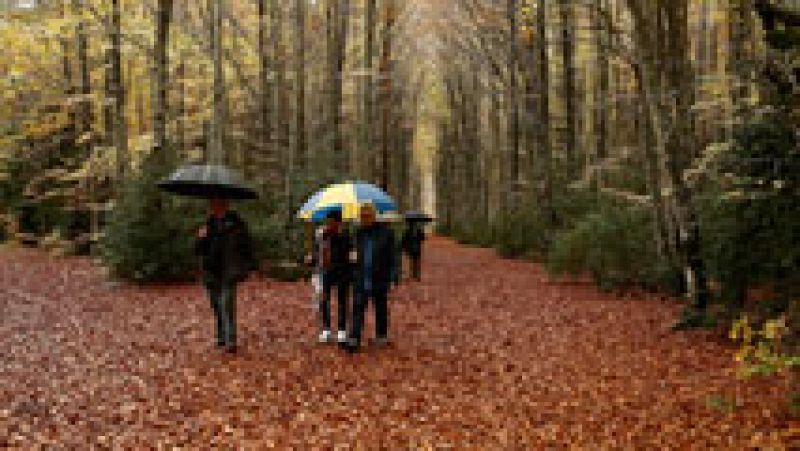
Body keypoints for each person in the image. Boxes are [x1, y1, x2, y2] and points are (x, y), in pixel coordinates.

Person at [195, 197, 255, 353]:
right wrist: (200, 239)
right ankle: (221, 337)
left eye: (218, 204)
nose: (214, 207)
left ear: (226, 205)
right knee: (216, 306)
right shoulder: (207, 225)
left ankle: (231, 341)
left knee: (226, 304)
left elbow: (247, 246)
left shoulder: (237, 224)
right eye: (212, 204)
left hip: (230, 269)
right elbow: (198, 251)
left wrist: (248, 266)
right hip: (211, 271)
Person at [341, 203, 397, 353]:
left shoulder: (386, 233)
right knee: (358, 307)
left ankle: (381, 335)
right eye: (362, 216)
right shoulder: (357, 233)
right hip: (361, 276)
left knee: (380, 307)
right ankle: (354, 338)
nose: (364, 219)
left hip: (380, 276)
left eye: (367, 216)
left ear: (374, 216)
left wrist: (393, 277)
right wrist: (351, 259)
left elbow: (393, 257)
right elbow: (351, 251)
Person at [310, 210, 353, 344]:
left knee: (342, 300)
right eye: (327, 221)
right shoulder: (321, 235)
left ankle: (341, 330)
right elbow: (317, 252)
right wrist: (312, 259)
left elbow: (350, 253)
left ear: (338, 222)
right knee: (324, 300)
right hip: (325, 272)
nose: (329, 224)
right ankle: (326, 329)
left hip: (342, 272)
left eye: (332, 221)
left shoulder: (345, 235)